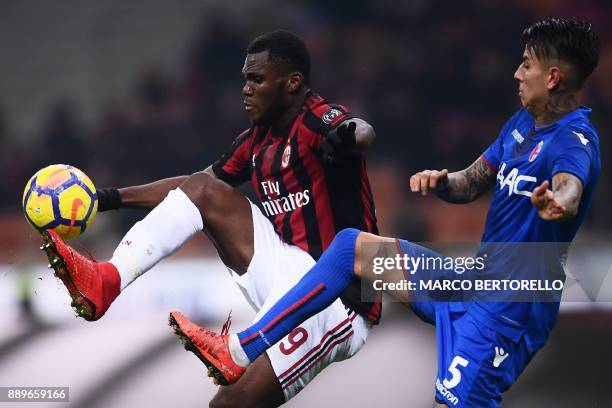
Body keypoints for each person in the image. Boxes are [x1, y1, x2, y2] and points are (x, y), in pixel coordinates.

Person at [180, 18, 601, 407]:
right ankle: (240, 349)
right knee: (351, 249)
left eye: (526, 65)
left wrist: (558, 202)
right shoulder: (521, 125)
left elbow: (571, 188)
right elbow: (472, 181)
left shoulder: (574, 140)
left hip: (513, 306)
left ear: (553, 76)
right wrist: (442, 182)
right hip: (475, 280)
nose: (517, 73)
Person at [40, 30, 381, 407]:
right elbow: (190, 188)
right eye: (244, 80)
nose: (246, 90)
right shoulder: (255, 140)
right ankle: (108, 280)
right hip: (286, 272)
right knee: (204, 189)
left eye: (257, 79)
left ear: (293, 82)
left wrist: (349, 137)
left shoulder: (319, 122)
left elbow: (362, 129)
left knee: (228, 405)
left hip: (338, 298)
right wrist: (106, 198)